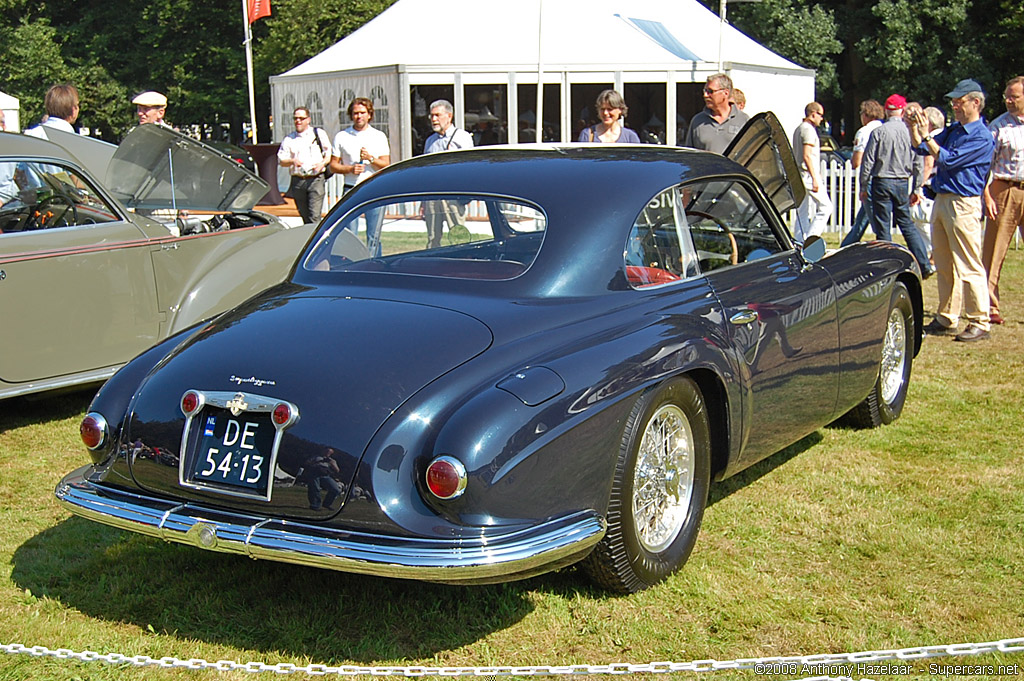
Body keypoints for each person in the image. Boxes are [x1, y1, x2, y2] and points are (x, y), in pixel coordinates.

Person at [909, 78, 995, 342]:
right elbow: (922, 147)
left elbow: (947, 159)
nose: (955, 106)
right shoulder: (956, 129)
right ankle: (947, 316)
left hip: (963, 203)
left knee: (969, 264)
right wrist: (916, 127)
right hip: (944, 200)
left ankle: (980, 319)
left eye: (960, 102)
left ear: (976, 103)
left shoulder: (981, 136)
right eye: (954, 102)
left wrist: (925, 135)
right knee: (945, 263)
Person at [858, 94, 933, 275]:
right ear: (902, 110)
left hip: (881, 181)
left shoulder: (879, 132)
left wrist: (863, 185)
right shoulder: (909, 132)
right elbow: (918, 163)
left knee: (883, 225)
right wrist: (916, 188)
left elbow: (868, 161)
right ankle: (924, 264)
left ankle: (887, 266)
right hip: (901, 181)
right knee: (906, 223)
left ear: (886, 110)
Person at [981, 76, 1024, 325]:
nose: (1008, 100)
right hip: (1003, 189)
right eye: (1007, 96)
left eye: (1014, 96)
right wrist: (986, 195)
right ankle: (990, 305)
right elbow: (985, 164)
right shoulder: (998, 127)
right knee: (994, 251)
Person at [329, 97, 391, 255]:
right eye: (355, 113)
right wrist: (349, 168)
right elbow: (333, 165)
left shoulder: (378, 136)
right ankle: (351, 264)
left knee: (374, 235)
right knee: (350, 233)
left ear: (369, 114)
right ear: (351, 115)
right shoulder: (342, 136)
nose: (359, 116)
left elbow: (386, 164)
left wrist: (371, 159)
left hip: (374, 187)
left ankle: (375, 265)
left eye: (363, 113)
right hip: (351, 188)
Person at [422, 99, 474, 248]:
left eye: (437, 115)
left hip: (453, 195)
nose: (434, 119)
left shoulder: (462, 138)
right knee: (432, 237)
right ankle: (432, 265)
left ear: (449, 116)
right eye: (431, 116)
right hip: (432, 196)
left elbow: (470, 168)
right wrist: (423, 201)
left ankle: (463, 264)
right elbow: (425, 172)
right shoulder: (430, 141)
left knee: (458, 235)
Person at [277, 106, 331, 225]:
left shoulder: (318, 134)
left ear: (308, 119)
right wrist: (292, 161)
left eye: (301, 118)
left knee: (314, 216)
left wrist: (322, 164)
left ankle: (316, 241)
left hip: (315, 179)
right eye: (296, 118)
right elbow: (281, 160)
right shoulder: (289, 139)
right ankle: (308, 239)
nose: (298, 121)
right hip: (298, 181)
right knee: (304, 216)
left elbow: (328, 154)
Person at [841, 99, 884, 247]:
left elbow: (857, 161)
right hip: (883, 177)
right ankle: (846, 245)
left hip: (869, 179)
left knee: (875, 220)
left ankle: (884, 245)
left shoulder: (864, 132)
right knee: (863, 218)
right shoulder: (884, 128)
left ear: (866, 114)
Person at [791, 102, 833, 242]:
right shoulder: (808, 130)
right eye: (820, 115)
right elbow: (807, 155)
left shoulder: (799, 129)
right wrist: (815, 177)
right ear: (813, 113)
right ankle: (811, 238)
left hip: (799, 175)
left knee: (802, 211)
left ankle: (799, 241)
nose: (821, 119)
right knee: (826, 207)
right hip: (807, 175)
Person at [684, 73, 749, 154]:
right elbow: (689, 155)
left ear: (725, 93)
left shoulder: (743, 120)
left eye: (710, 91)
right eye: (705, 91)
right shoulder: (697, 121)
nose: (705, 95)